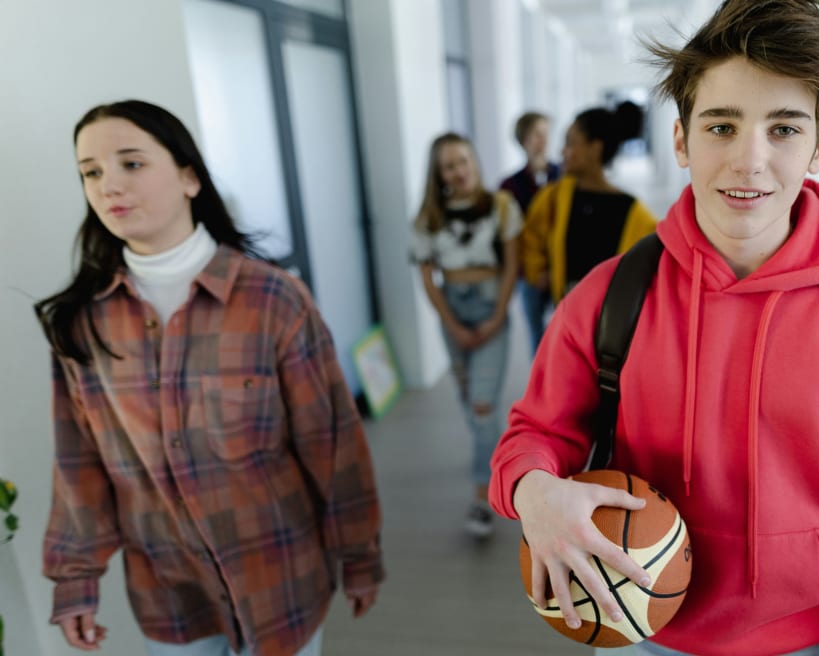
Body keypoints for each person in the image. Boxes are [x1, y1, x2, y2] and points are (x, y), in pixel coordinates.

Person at [489, 1, 819, 655]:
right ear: (681, 140)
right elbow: (536, 433)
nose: (749, 160)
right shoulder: (609, 299)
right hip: (636, 627)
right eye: (721, 126)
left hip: (799, 640)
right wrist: (534, 490)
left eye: (784, 129)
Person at [35, 100, 384, 656]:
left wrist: (360, 555)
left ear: (189, 176)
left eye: (131, 164)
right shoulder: (82, 323)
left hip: (281, 578)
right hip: (171, 595)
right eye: (91, 173)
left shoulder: (272, 299)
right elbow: (79, 463)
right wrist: (76, 580)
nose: (108, 187)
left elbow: (331, 440)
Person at [411, 133, 522, 539]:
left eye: (463, 161)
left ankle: (484, 495)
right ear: (439, 174)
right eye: (449, 166)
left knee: (481, 405)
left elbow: (512, 266)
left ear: (475, 161)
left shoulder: (501, 206)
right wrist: (452, 324)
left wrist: (497, 318)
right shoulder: (429, 216)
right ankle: (486, 451)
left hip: (491, 306)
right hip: (452, 312)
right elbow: (427, 278)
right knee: (467, 398)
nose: (459, 171)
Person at [521, 102, 658, 307]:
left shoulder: (634, 212)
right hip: (566, 314)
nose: (562, 152)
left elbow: (649, 268)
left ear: (595, 148)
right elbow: (531, 236)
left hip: (611, 325)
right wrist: (538, 271)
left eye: (570, 143)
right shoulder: (555, 196)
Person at [499, 112, 561, 354]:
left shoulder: (564, 176)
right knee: (537, 333)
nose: (543, 140)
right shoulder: (509, 186)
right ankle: (542, 386)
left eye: (546, 134)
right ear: (523, 139)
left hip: (561, 267)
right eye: (537, 134)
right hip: (530, 274)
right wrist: (533, 271)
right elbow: (512, 237)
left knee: (566, 330)